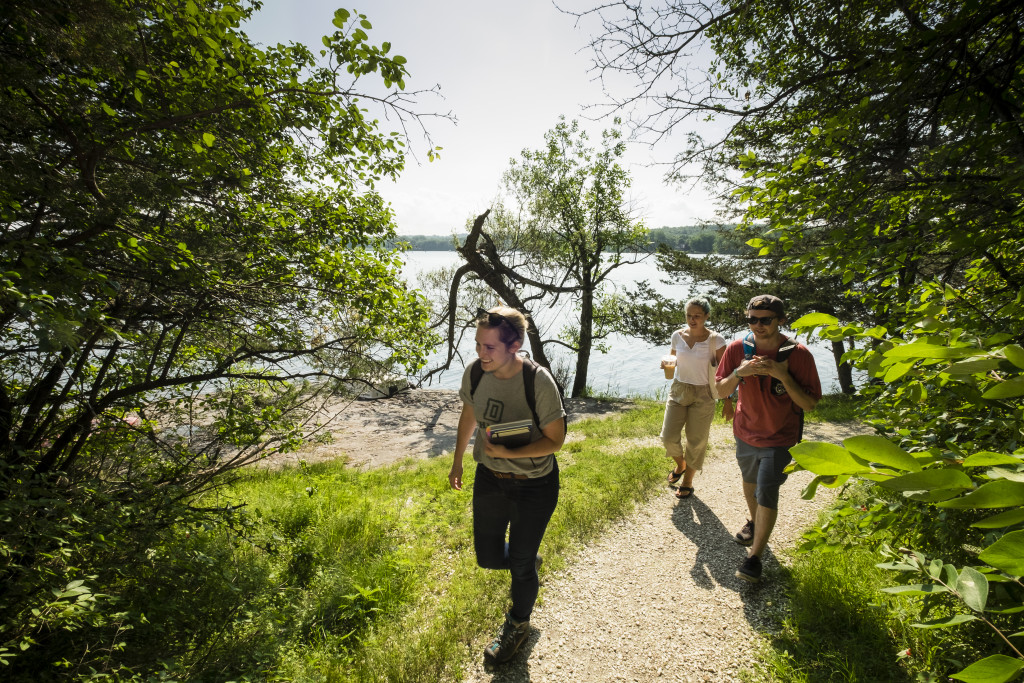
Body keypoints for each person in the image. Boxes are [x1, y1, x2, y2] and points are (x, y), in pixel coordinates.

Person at [448, 306, 566, 664]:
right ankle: (527, 561)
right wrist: (456, 460)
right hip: (489, 480)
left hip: (535, 485)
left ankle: (518, 625)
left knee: (519, 562)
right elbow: (469, 414)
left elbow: (556, 441)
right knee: (487, 557)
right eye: (478, 345)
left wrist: (508, 452)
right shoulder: (475, 374)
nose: (481, 354)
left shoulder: (538, 381)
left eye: (489, 348)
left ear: (513, 345)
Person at [715, 295, 821, 583]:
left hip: (780, 437)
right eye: (752, 319)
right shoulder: (738, 348)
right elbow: (719, 391)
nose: (757, 325)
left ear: (781, 320)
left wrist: (782, 375)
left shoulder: (798, 354)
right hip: (745, 432)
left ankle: (755, 558)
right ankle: (754, 522)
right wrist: (740, 372)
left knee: (766, 491)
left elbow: (809, 404)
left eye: (765, 320)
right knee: (750, 485)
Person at [660, 298, 726, 499]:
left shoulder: (716, 341)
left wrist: (728, 401)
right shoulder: (677, 336)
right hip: (679, 389)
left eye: (697, 316)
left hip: (704, 393)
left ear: (707, 316)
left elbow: (724, 371)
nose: (692, 319)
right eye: (689, 315)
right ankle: (680, 464)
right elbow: (673, 359)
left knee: (696, 441)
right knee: (668, 437)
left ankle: (688, 481)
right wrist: (666, 364)